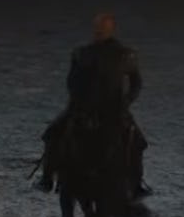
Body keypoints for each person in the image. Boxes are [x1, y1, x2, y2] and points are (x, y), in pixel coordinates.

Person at [37, 12, 151, 199]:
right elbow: (73, 82)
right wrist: (79, 102)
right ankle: (47, 178)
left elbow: (135, 82)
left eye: (102, 29)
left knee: (138, 143)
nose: (99, 32)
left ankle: (136, 183)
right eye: (98, 29)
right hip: (88, 107)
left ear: (110, 29)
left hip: (112, 109)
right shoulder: (84, 53)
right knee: (52, 134)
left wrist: (125, 102)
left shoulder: (122, 55)